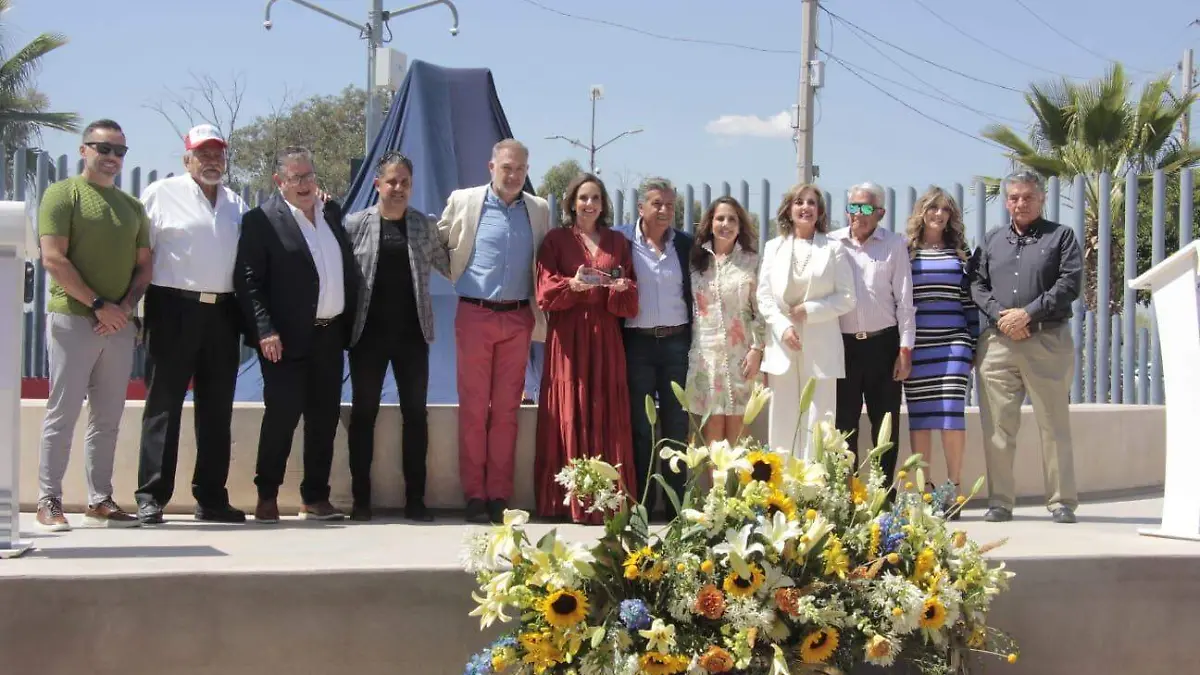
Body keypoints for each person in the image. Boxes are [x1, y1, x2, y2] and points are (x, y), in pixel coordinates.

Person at [34, 118, 152, 531]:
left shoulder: (133, 207)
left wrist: (123, 308)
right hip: (73, 319)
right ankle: (48, 500)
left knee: (108, 417)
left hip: (117, 325)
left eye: (120, 151)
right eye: (104, 149)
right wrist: (99, 305)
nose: (112, 158)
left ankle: (99, 499)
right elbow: (53, 259)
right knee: (62, 411)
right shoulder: (62, 195)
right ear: (84, 150)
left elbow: (144, 268)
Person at [234, 146, 358, 524]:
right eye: (295, 177)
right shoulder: (261, 220)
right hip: (284, 341)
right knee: (282, 418)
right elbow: (248, 281)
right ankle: (267, 495)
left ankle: (315, 498)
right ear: (279, 181)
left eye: (309, 175)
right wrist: (265, 330)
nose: (304, 184)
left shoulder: (331, 213)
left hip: (329, 335)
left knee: (323, 421)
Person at [134, 124, 248, 525]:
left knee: (216, 410)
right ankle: (151, 496)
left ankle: (212, 498)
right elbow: (141, 255)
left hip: (223, 312)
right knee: (163, 406)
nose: (212, 160)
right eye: (203, 153)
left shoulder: (236, 203)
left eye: (218, 153)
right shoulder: (159, 195)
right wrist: (134, 308)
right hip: (172, 309)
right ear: (187, 159)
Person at [437, 139, 550, 524]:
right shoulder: (465, 201)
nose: (514, 175)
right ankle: (474, 495)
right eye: (507, 167)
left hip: (518, 318)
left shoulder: (538, 210)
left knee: (506, 412)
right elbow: (438, 243)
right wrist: (456, 275)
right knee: (473, 409)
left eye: (520, 169)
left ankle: (499, 494)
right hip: (474, 314)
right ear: (491, 167)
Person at [343, 151, 450, 522]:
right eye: (391, 181)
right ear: (377, 184)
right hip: (367, 336)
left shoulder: (422, 225)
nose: (398, 188)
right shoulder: (355, 225)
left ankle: (415, 501)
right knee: (363, 416)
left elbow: (449, 263)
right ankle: (360, 500)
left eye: (405, 181)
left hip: (412, 336)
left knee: (415, 417)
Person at [971, 171, 1082, 524]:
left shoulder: (1061, 237)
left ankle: (1062, 501)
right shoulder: (991, 240)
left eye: (1028, 197)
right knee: (998, 427)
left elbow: (1070, 283)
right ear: (1007, 201)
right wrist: (1002, 315)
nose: (1021, 203)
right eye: (1014, 197)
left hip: (1047, 340)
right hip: (998, 342)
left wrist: (1028, 315)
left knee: (1053, 423)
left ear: (1041, 199)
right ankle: (1000, 502)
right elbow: (975, 282)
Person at [533, 173, 639, 523]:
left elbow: (632, 297)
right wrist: (572, 285)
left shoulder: (618, 241)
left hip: (606, 337)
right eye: (583, 198)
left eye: (595, 198)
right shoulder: (555, 240)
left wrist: (622, 288)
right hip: (568, 338)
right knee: (570, 410)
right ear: (571, 203)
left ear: (604, 204)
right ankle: (567, 500)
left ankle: (607, 500)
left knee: (606, 411)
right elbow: (545, 291)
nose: (589, 204)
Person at [757, 184, 856, 459]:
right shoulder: (773, 247)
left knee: (819, 420)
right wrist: (783, 327)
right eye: (799, 202)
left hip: (821, 348)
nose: (805, 207)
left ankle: (815, 491)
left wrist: (811, 309)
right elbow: (764, 297)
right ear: (789, 210)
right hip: (783, 345)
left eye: (812, 203)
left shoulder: (834, 249)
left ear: (819, 211)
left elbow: (848, 297)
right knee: (783, 419)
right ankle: (782, 490)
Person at [615, 178, 693, 519]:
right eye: (657, 204)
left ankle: (676, 506)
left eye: (670, 205)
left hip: (677, 343)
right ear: (641, 207)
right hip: (638, 344)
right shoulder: (620, 242)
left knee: (676, 426)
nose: (664, 211)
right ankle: (643, 505)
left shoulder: (687, 245)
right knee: (641, 426)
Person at [831, 182, 915, 485]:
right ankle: (846, 497)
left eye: (866, 208)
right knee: (844, 426)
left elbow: (905, 303)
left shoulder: (894, 244)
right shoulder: (832, 243)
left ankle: (882, 497)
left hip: (883, 345)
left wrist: (905, 350)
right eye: (853, 207)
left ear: (880, 212)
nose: (858, 214)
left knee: (885, 425)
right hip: (843, 347)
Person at [903, 187, 979, 515]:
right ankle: (925, 488)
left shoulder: (961, 253)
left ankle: (954, 487)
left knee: (950, 413)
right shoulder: (906, 252)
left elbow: (970, 302)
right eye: (932, 209)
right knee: (920, 418)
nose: (938, 214)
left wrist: (974, 343)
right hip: (917, 346)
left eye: (944, 210)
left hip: (954, 343)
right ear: (921, 213)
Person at [685, 197, 765, 444]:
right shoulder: (696, 262)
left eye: (732, 219)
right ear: (710, 223)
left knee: (739, 431)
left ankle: (740, 485)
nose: (726, 224)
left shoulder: (752, 262)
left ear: (740, 226)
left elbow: (761, 311)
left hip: (741, 357)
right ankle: (716, 485)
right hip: (706, 358)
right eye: (720, 218)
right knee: (712, 431)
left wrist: (757, 350)